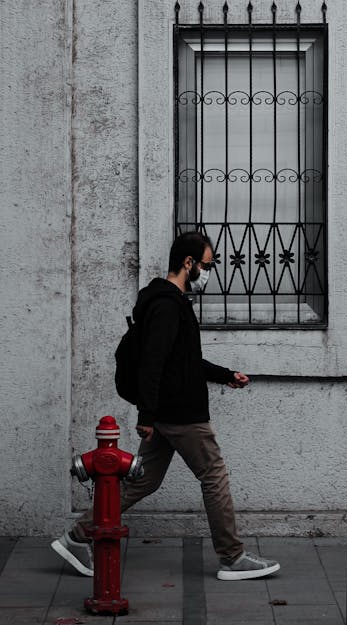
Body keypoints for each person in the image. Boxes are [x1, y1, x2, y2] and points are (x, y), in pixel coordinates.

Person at [51, 231, 280, 581]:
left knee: (142, 481)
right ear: (188, 263)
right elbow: (152, 363)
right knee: (214, 475)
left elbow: (184, 362)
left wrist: (225, 375)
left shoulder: (167, 303)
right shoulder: (166, 306)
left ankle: (77, 537)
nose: (209, 271)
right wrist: (146, 415)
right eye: (207, 264)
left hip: (167, 411)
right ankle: (232, 558)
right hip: (180, 413)